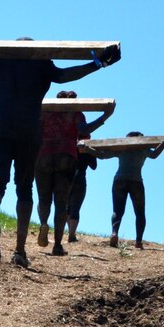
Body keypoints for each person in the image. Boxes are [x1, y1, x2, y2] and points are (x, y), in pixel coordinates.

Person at [0, 41, 119, 267]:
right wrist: (99, 63)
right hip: (29, 133)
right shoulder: (42, 64)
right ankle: (19, 250)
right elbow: (67, 75)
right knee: (25, 189)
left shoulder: (0, 60)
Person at [34, 91, 114, 256]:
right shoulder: (77, 114)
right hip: (67, 156)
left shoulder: (45, 112)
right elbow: (85, 131)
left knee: (44, 198)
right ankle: (57, 245)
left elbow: (33, 128)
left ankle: (43, 222)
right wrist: (105, 116)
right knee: (61, 202)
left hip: (43, 155)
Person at [81, 131, 164, 250]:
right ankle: (138, 241)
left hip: (119, 180)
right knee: (140, 213)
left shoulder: (123, 148)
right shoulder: (143, 149)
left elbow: (102, 155)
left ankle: (114, 233)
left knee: (117, 211)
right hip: (136, 181)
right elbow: (154, 155)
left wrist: (86, 148)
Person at [67, 133, 98, 242]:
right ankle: (71, 234)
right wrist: (90, 151)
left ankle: (67, 232)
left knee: (66, 207)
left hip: (67, 177)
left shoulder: (70, 145)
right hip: (80, 178)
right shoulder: (88, 149)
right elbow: (94, 166)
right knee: (75, 207)